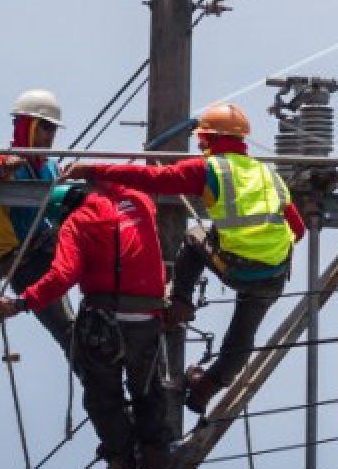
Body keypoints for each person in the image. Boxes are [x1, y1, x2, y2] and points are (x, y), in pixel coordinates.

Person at [65, 102, 305, 415]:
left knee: (194, 237)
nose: (201, 146)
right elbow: (297, 229)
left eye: (202, 141)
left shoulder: (208, 169)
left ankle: (179, 302)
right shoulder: (268, 175)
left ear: (209, 140)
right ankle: (204, 390)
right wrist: (264, 247)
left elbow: (153, 179)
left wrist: (94, 170)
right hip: (275, 271)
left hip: (238, 266)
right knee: (242, 336)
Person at [0, 181, 174, 469]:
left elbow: (62, 276)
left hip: (104, 326)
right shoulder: (140, 203)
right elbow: (133, 179)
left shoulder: (76, 223)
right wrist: (97, 171)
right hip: (145, 321)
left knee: (103, 399)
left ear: (64, 211)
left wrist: (21, 303)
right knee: (148, 392)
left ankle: (124, 464)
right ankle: (158, 465)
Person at [0, 89, 74, 357]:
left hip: (49, 253)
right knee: (67, 331)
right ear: (26, 126)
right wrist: (4, 169)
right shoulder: (0, 158)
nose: (50, 135)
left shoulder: (52, 168)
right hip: (21, 260)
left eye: (53, 129)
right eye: (44, 127)